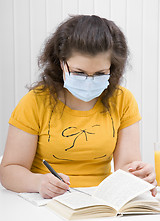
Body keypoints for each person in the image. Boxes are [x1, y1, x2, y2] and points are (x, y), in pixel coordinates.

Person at [0, 15, 157, 198]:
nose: (89, 81)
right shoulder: (35, 102)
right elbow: (9, 171)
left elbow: (126, 168)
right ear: (61, 63)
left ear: (112, 69)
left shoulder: (123, 101)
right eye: (79, 72)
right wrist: (38, 182)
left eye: (100, 74)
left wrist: (139, 175)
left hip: (100, 203)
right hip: (46, 202)